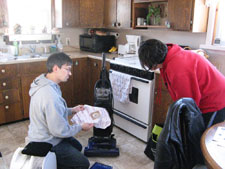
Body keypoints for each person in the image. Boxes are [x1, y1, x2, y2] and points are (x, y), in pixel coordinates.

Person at [26, 52, 93, 169]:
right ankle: (49, 162)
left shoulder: (44, 81)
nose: (70, 73)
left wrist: (73, 110)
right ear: (56, 68)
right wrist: (81, 126)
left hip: (41, 133)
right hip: (46, 141)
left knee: (77, 147)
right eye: (67, 69)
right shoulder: (50, 96)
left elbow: (54, 111)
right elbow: (60, 131)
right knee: (83, 164)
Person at [138, 39, 225, 127]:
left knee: (203, 136)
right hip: (208, 95)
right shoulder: (169, 55)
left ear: (153, 62)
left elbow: (189, 104)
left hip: (215, 101)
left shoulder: (178, 70)